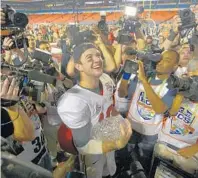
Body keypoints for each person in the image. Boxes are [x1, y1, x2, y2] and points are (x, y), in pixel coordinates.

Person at [57, 43, 132, 178]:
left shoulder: (106, 79)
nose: (97, 59)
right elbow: (83, 145)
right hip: (93, 150)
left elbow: (109, 107)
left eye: (98, 55)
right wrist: (115, 144)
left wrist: (122, 121)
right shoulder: (73, 100)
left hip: (109, 138)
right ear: (79, 66)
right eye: (89, 57)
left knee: (109, 171)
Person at [115, 50, 179, 174]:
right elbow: (122, 93)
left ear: (175, 66)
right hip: (132, 126)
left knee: (143, 164)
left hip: (150, 135)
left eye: (167, 60)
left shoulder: (173, 86)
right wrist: (126, 74)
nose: (161, 62)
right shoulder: (146, 75)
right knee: (126, 158)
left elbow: (160, 108)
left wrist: (144, 81)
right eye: (160, 59)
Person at [155, 59, 198, 174]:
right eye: (192, 77)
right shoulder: (176, 89)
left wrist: (195, 149)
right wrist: (180, 93)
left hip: (185, 154)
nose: (194, 82)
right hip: (162, 146)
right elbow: (171, 111)